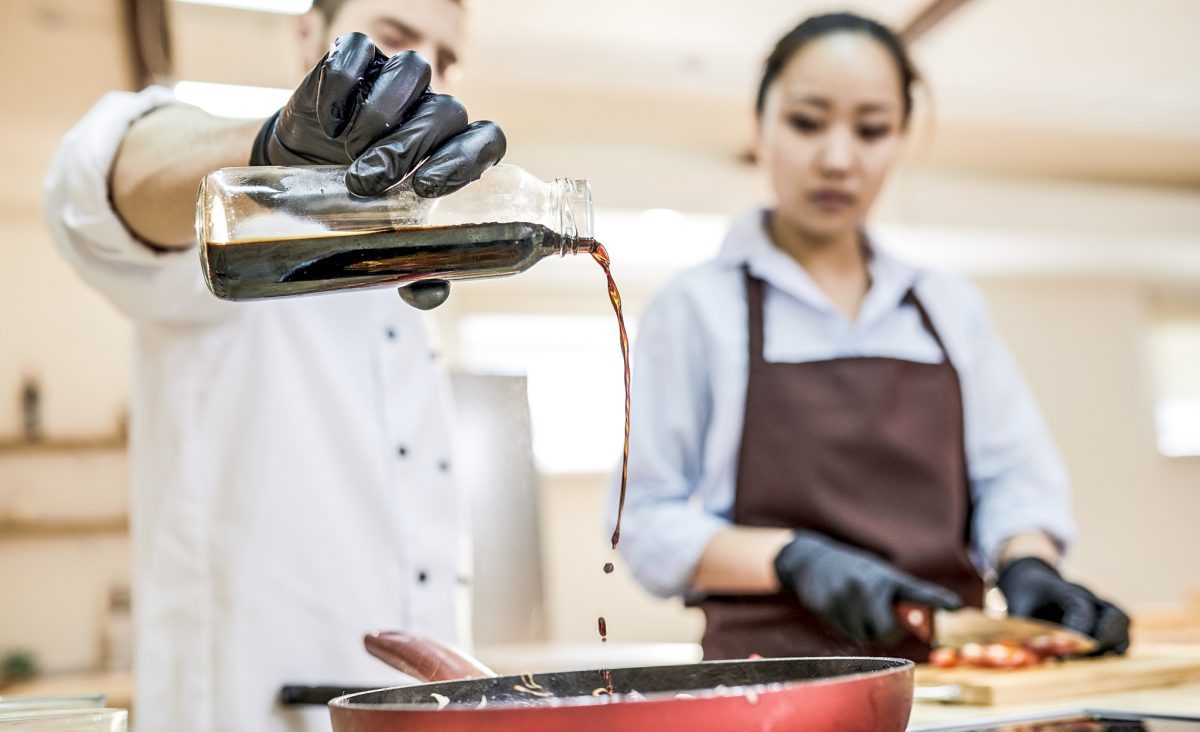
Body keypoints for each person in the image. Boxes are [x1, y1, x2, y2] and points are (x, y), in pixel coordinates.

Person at [611, 12, 1130, 662]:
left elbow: (1014, 476)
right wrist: (793, 559)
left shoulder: (947, 305)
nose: (838, 158)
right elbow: (644, 521)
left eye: (872, 129)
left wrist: (1029, 563)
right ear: (758, 126)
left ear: (902, 137)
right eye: (806, 122)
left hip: (951, 676)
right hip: (773, 682)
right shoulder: (697, 307)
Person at [43, 1, 504, 730]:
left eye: (444, 61)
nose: (422, 77)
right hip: (250, 709)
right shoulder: (230, 206)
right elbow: (97, 185)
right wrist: (271, 147)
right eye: (394, 42)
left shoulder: (412, 245)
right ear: (305, 36)